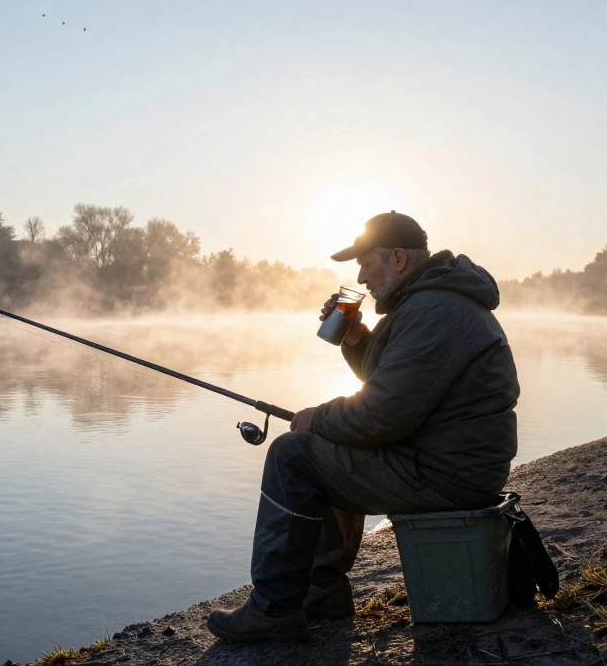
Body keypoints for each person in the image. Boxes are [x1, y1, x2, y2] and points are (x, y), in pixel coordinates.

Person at [206, 211, 519, 643]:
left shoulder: (434, 311)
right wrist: (356, 337)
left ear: (396, 259)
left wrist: (319, 416)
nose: (360, 276)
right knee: (325, 442)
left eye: (366, 264)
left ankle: (275, 608)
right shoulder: (431, 302)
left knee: (293, 453)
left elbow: (384, 415)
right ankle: (323, 592)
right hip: (446, 463)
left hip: (445, 475)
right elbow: (399, 386)